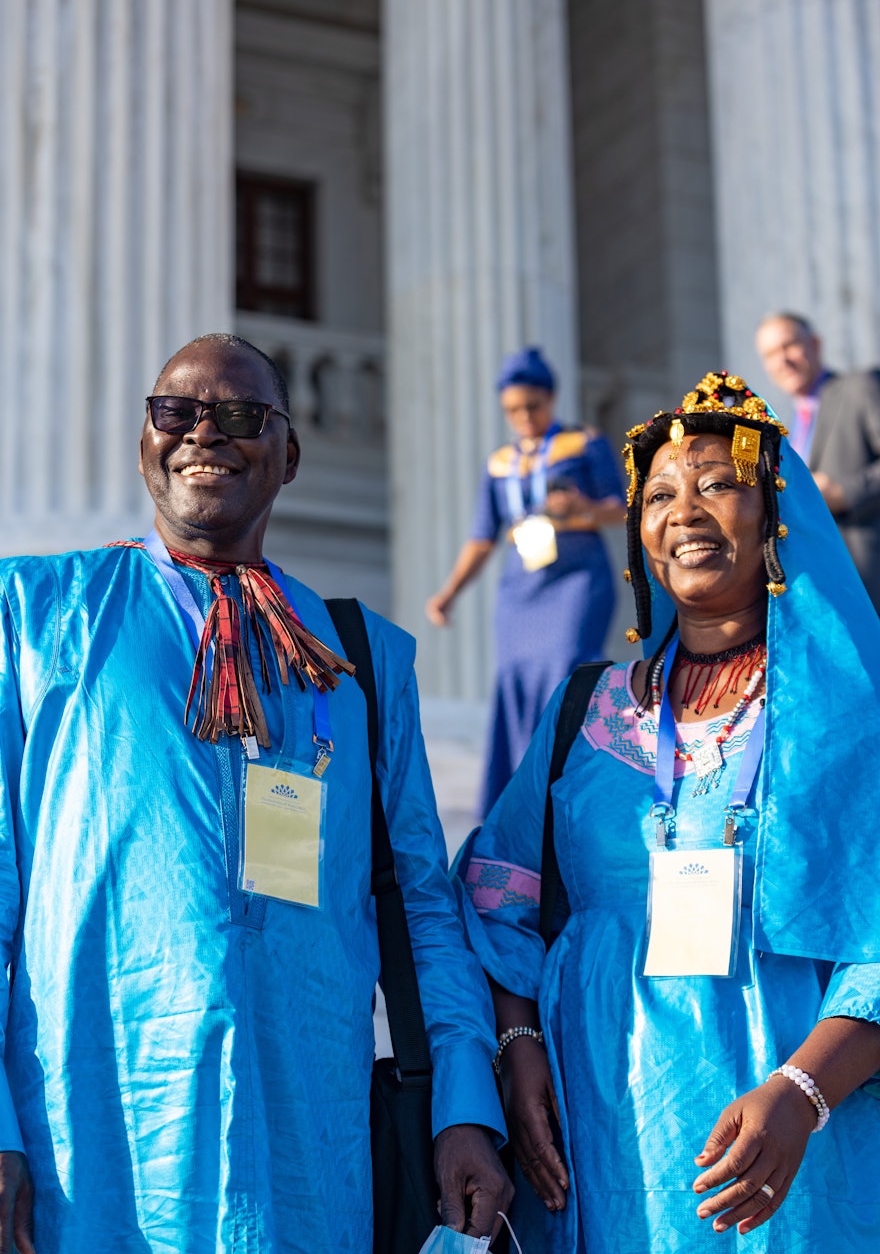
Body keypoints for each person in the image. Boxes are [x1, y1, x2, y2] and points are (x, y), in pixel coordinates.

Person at [0, 333, 512, 1252]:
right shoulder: (33, 615)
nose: (205, 432)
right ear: (145, 438)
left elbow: (424, 908)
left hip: (306, 1151)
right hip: (95, 1144)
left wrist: (464, 1106)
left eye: (240, 416)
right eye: (176, 412)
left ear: (288, 455)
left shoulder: (361, 659)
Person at [453, 370, 880, 1251]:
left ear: (776, 514)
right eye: (660, 495)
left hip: (790, 1145)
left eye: (720, 484)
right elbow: (497, 886)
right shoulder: (586, 709)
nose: (685, 510)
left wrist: (802, 1094)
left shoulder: (848, 711)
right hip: (596, 1135)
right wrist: (518, 1039)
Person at [426, 346, 625, 818]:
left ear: (552, 399)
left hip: (576, 576)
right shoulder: (498, 464)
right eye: (513, 410)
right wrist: (449, 593)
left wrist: (583, 508)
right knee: (514, 681)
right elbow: (482, 537)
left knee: (566, 669)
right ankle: (519, 796)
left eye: (532, 406)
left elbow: (621, 508)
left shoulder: (583, 444)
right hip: (521, 586)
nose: (524, 417)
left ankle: (569, 782)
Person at [755, 311, 880, 609]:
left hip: (869, 573)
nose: (782, 360)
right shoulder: (784, 429)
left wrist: (844, 493)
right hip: (823, 589)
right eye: (771, 354)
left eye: (789, 346)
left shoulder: (859, 387)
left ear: (815, 344)